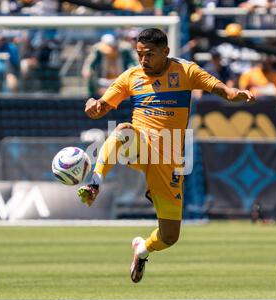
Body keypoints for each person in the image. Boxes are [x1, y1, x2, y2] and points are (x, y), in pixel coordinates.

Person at [77, 28, 254, 283]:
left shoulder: (186, 71)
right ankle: (95, 183)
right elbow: (101, 107)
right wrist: (94, 106)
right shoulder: (131, 77)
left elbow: (218, 87)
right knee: (124, 130)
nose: (143, 60)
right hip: (141, 146)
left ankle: (142, 249)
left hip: (169, 160)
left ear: (165, 52)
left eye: (149, 54)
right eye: (139, 54)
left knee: (170, 236)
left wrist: (232, 94)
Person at [82, 33, 137, 97]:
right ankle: (92, 96)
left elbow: (134, 62)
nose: (110, 50)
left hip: (121, 80)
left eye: (112, 47)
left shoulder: (125, 51)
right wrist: (87, 70)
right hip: (103, 81)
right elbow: (89, 62)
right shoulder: (98, 52)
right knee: (90, 75)